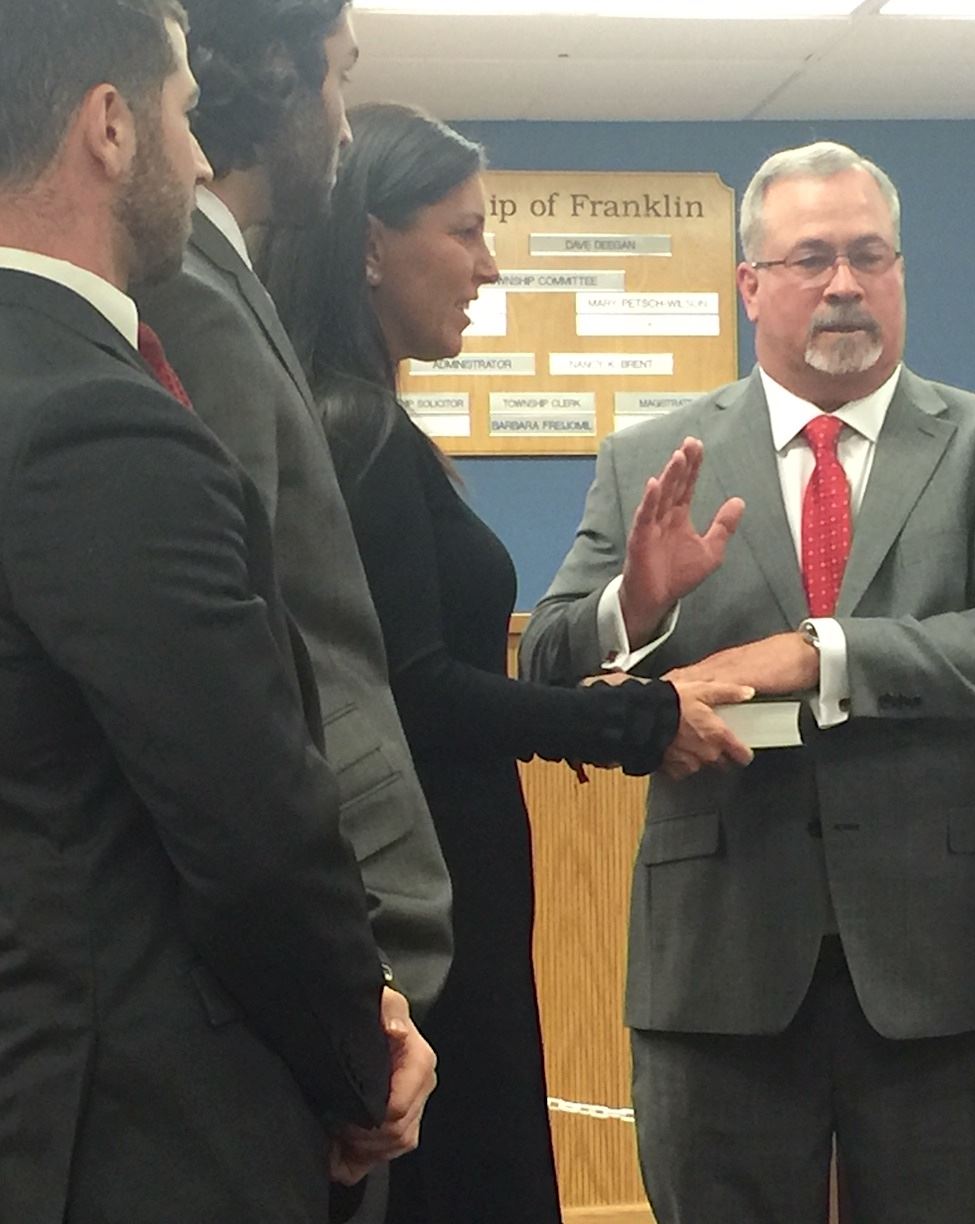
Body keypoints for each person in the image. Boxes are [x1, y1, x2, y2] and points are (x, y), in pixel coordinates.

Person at [521, 139, 975, 1224]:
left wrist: (820, 652)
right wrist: (634, 607)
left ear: (902, 272)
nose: (844, 283)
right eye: (812, 259)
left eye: (871, 256)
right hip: (717, 956)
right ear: (751, 286)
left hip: (933, 961)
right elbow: (551, 660)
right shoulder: (651, 456)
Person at [262, 101, 755, 1224]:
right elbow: (414, 695)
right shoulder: (357, 438)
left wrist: (633, 609)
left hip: (456, 881)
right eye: (465, 231)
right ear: (371, 245)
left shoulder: (364, 424)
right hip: (425, 894)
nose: (490, 265)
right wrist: (635, 720)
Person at [0, 2, 427, 1219]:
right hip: (133, 1132)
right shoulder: (96, 421)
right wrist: (361, 1064)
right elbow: (251, 825)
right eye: (185, 116)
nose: (201, 159)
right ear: (111, 126)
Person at [134, 1, 453, 1016]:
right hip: (326, 901)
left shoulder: (228, 275)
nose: (344, 122)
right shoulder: (186, 288)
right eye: (337, 78)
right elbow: (237, 632)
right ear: (273, 81)